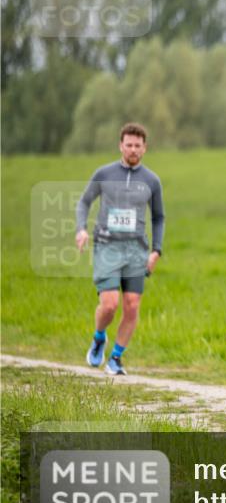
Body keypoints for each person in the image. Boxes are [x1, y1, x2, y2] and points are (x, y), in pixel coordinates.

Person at [76, 123, 165, 376]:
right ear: (121, 146)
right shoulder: (104, 174)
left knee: (132, 304)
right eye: (129, 145)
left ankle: (116, 358)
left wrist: (156, 250)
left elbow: (159, 217)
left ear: (145, 148)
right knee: (110, 304)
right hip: (107, 246)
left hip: (137, 249)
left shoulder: (152, 180)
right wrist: (81, 229)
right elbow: (84, 202)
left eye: (138, 145)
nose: (133, 149)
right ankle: (99, 338)